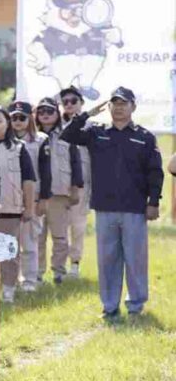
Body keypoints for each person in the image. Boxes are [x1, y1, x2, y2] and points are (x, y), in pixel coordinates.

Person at [61, 87, 163, 319]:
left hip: (135, 209)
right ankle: (110, 307)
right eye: (114, 103)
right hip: (104, 208)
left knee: (136, 260)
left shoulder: (144, 136)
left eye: (123, 103)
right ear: (109, 107)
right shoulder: (96, 132)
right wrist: (86, 115)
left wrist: (154, 202)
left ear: (133, 107)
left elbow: (155, 173)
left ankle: (136, 306)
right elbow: (67, 135)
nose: (118, 107)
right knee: (107, 260)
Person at [0, 106, 36, 303]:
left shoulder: (19, 148)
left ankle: (8, 289)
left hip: (10, 209)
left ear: (7, 124)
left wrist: (29, 207)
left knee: (9, 253)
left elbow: (29, 180)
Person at [35, 96, 83, 284]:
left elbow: (76, 162)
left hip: (59, 193)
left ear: (57, 113)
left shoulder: (67, 133)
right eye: (41, 112)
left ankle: (59, 271)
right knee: (37, 236)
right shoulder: (30, 135)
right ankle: (37, 272)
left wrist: (76, 187)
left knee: (60, 235)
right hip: (37, 194)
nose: (45, 115)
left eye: (50, 111)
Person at [8, 101, 52, 292]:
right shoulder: (3, 140)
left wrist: (43, 199)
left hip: (33, 198)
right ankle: (12, 279)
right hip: (9, 200)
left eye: (22, 117)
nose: (18, 121)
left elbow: (46, 171)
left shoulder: (41, 139)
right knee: (11, 244)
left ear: (30, 118)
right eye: (14, 117)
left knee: (30, 242)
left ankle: (30, 280)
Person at [60, 86, 92, 278]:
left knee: (78, 227)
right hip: (58, 185)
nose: (70, 105)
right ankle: (59, 266)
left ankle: (75, 264)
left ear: (82, 103)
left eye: (74, 101)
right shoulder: (56, 127)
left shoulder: (91, 128)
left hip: (82, 184)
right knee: (59, 228)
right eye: (66, 102)